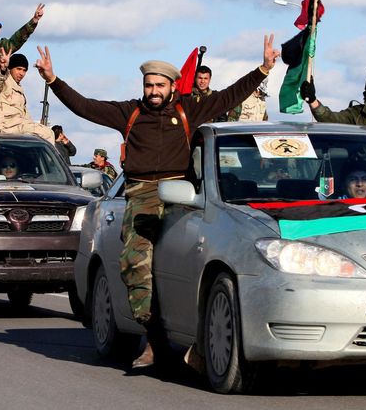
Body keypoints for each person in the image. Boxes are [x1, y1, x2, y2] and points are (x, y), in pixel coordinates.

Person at [33, 34, 279, 369]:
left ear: (172, 86)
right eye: (148, 85)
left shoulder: (188, 109)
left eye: (159, 85)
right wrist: (52, 79)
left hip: (182, 193)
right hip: (143, 192)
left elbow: (229, 96)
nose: (153, 91)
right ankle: (153, 339)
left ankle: (200, 339)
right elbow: (86, 106)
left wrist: (263, 69)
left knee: (191, 260)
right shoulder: (129, 113)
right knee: (135, 261)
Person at [0, 50, 54, 143]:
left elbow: (24, 116)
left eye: (24, 70)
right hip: (2, 129)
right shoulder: (4, 81)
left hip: (15, 128)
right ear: (10, 68)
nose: (21, 73)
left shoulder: (18, 89)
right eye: (18, 69)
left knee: (40, 136)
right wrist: (2, 70)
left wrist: (36, 124)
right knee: (47, 133)